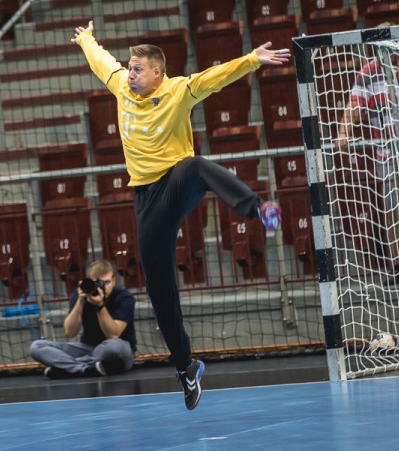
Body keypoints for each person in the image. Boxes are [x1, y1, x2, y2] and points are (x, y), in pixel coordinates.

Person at [71, 20, 289, 410]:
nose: (130, 74)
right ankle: (186, 367)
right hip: (147, 201)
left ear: (158, 72)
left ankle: (258, 208)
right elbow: (100, 61)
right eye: (130, 67)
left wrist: (252, 60)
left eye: (138, 69)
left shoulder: (177, 90)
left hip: (175, 183)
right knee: (159, 289)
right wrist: (87, 39)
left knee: (194, 165)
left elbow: (214, 79)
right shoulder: (120, 87)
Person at [335, 28, 399, 284]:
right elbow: (354, 106)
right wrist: (343, 132)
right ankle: (397, 266)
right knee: (392, 209)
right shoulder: (367, 73)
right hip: (389, 153)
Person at [30, 259, 136, 379]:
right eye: (98, 283)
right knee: (36, 346)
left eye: (107, 282)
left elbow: (113, 335)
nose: (103, 287)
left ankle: (67, 368)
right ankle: (85, 369)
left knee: (113, 347)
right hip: (87, 348)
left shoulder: (124, 297)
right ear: (89, 282)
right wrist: (80, 301)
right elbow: (70, 332)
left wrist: (100, 306)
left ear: (113, 281)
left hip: (119, 351)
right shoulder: (80, 295)